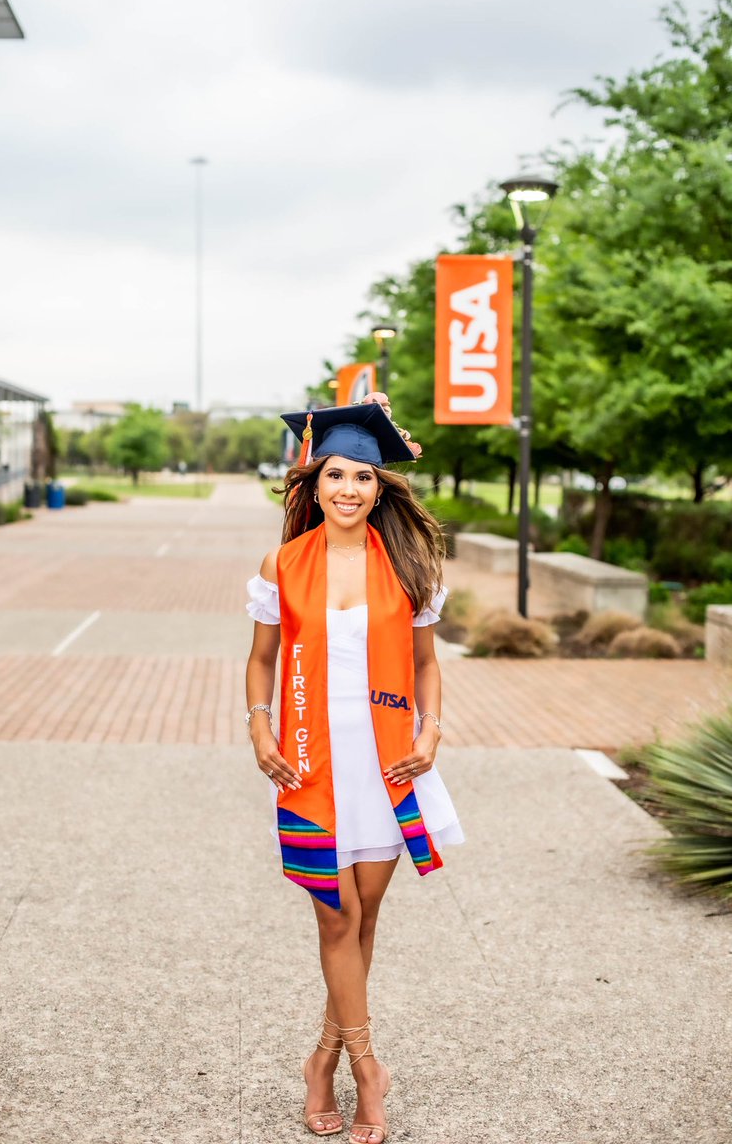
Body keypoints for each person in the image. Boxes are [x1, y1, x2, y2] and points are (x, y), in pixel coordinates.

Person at [245, 397, 464, 1144]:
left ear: (379, 488)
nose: (348, 489)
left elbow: (428, 665)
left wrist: (433, 732)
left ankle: (320, 1059)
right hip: (308, 764)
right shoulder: (282, 564)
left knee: (364, 919)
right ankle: (368, 1068)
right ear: (313, 484)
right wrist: (257, 721)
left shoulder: (408, 564)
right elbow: (261, 657)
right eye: (335, 475)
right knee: (334, 915)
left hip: (386, 764)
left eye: (363, 477)